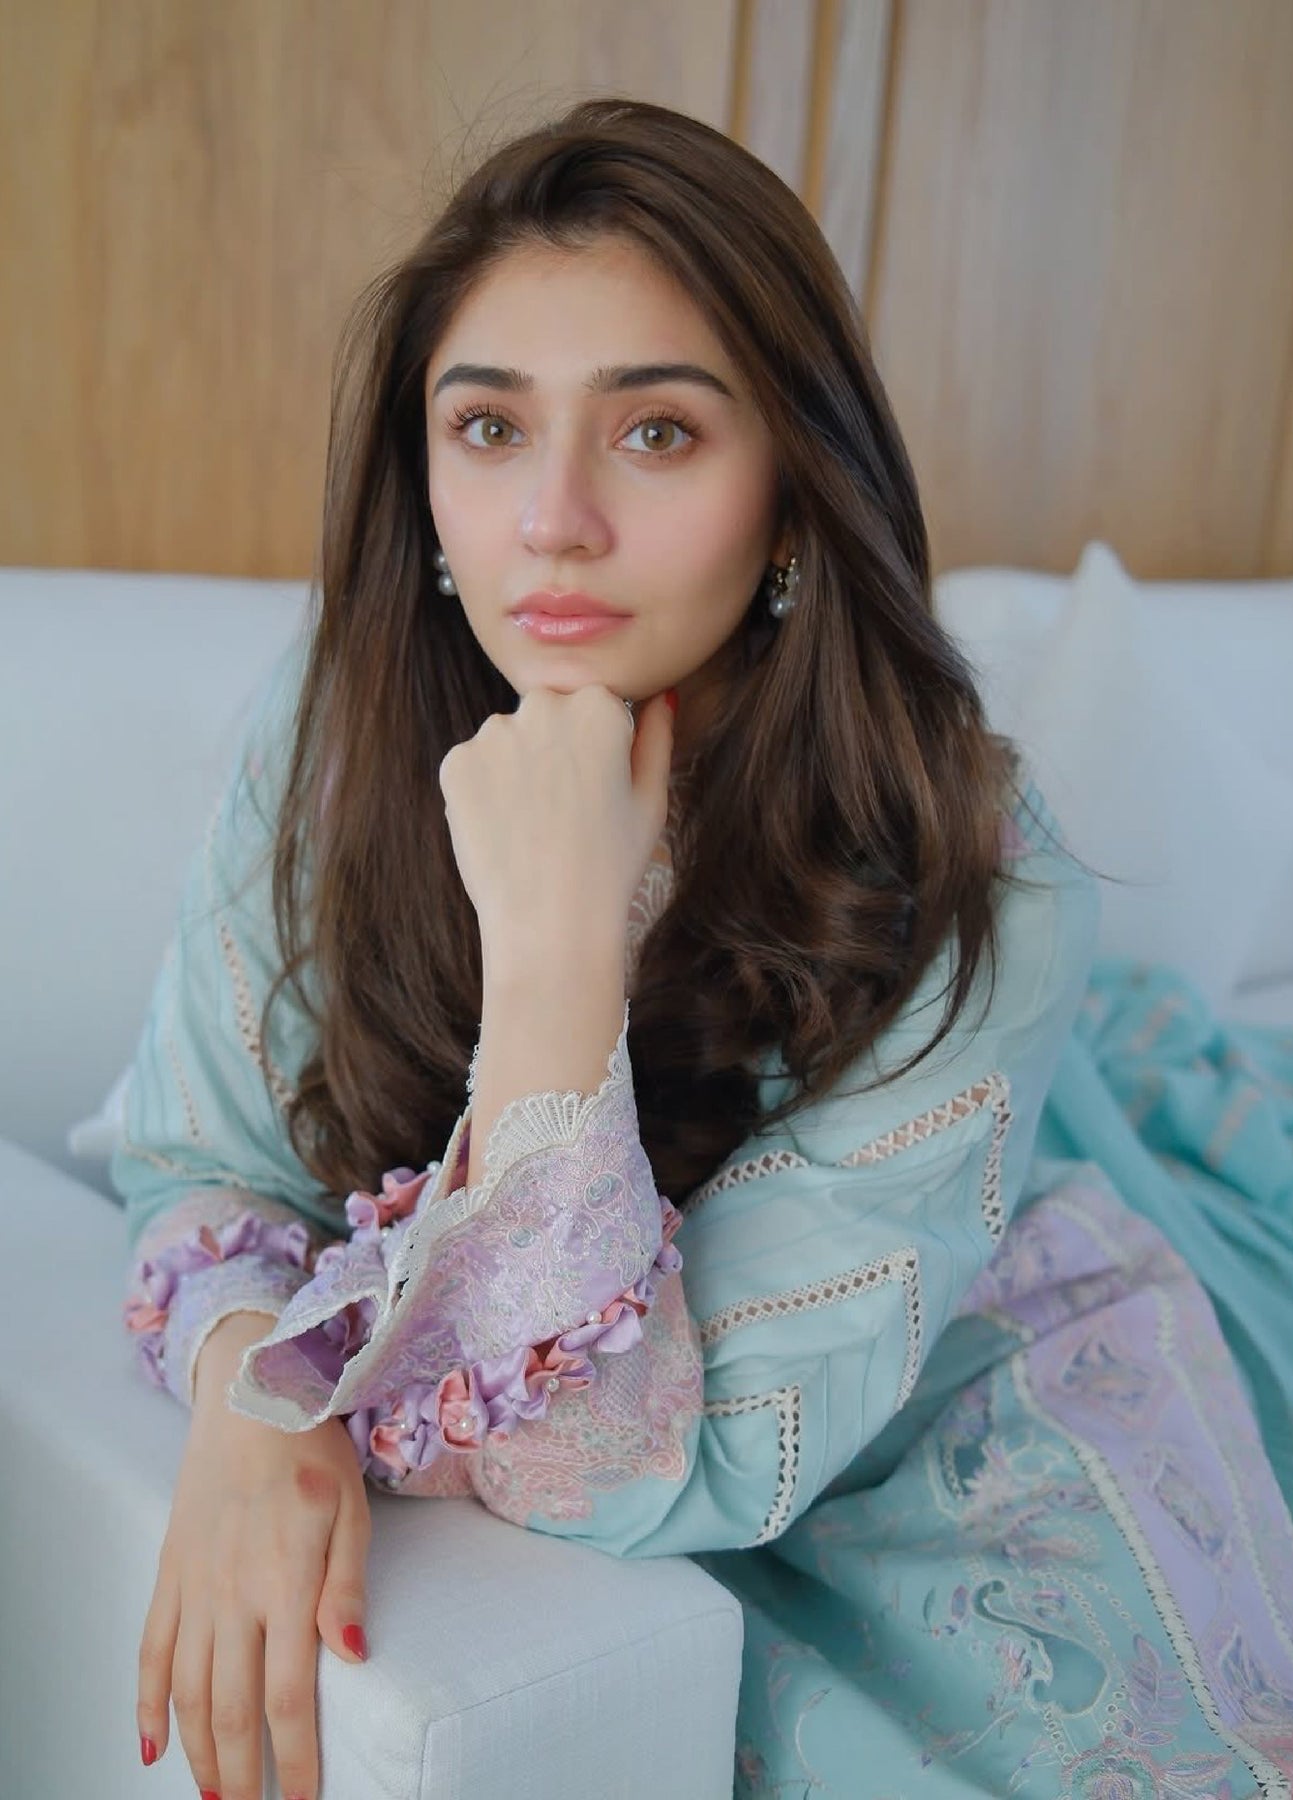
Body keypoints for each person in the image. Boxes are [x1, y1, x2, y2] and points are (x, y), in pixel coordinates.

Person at [115, 95, 1293, 1800]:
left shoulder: (975, 859)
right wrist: (254, 1398)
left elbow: (652, 1465)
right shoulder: (334, 727)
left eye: (655, 433)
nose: (553, 520)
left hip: (940, 1407)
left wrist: (551, 958)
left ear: (793, 487)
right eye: (488, 428)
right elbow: (193, 1161)